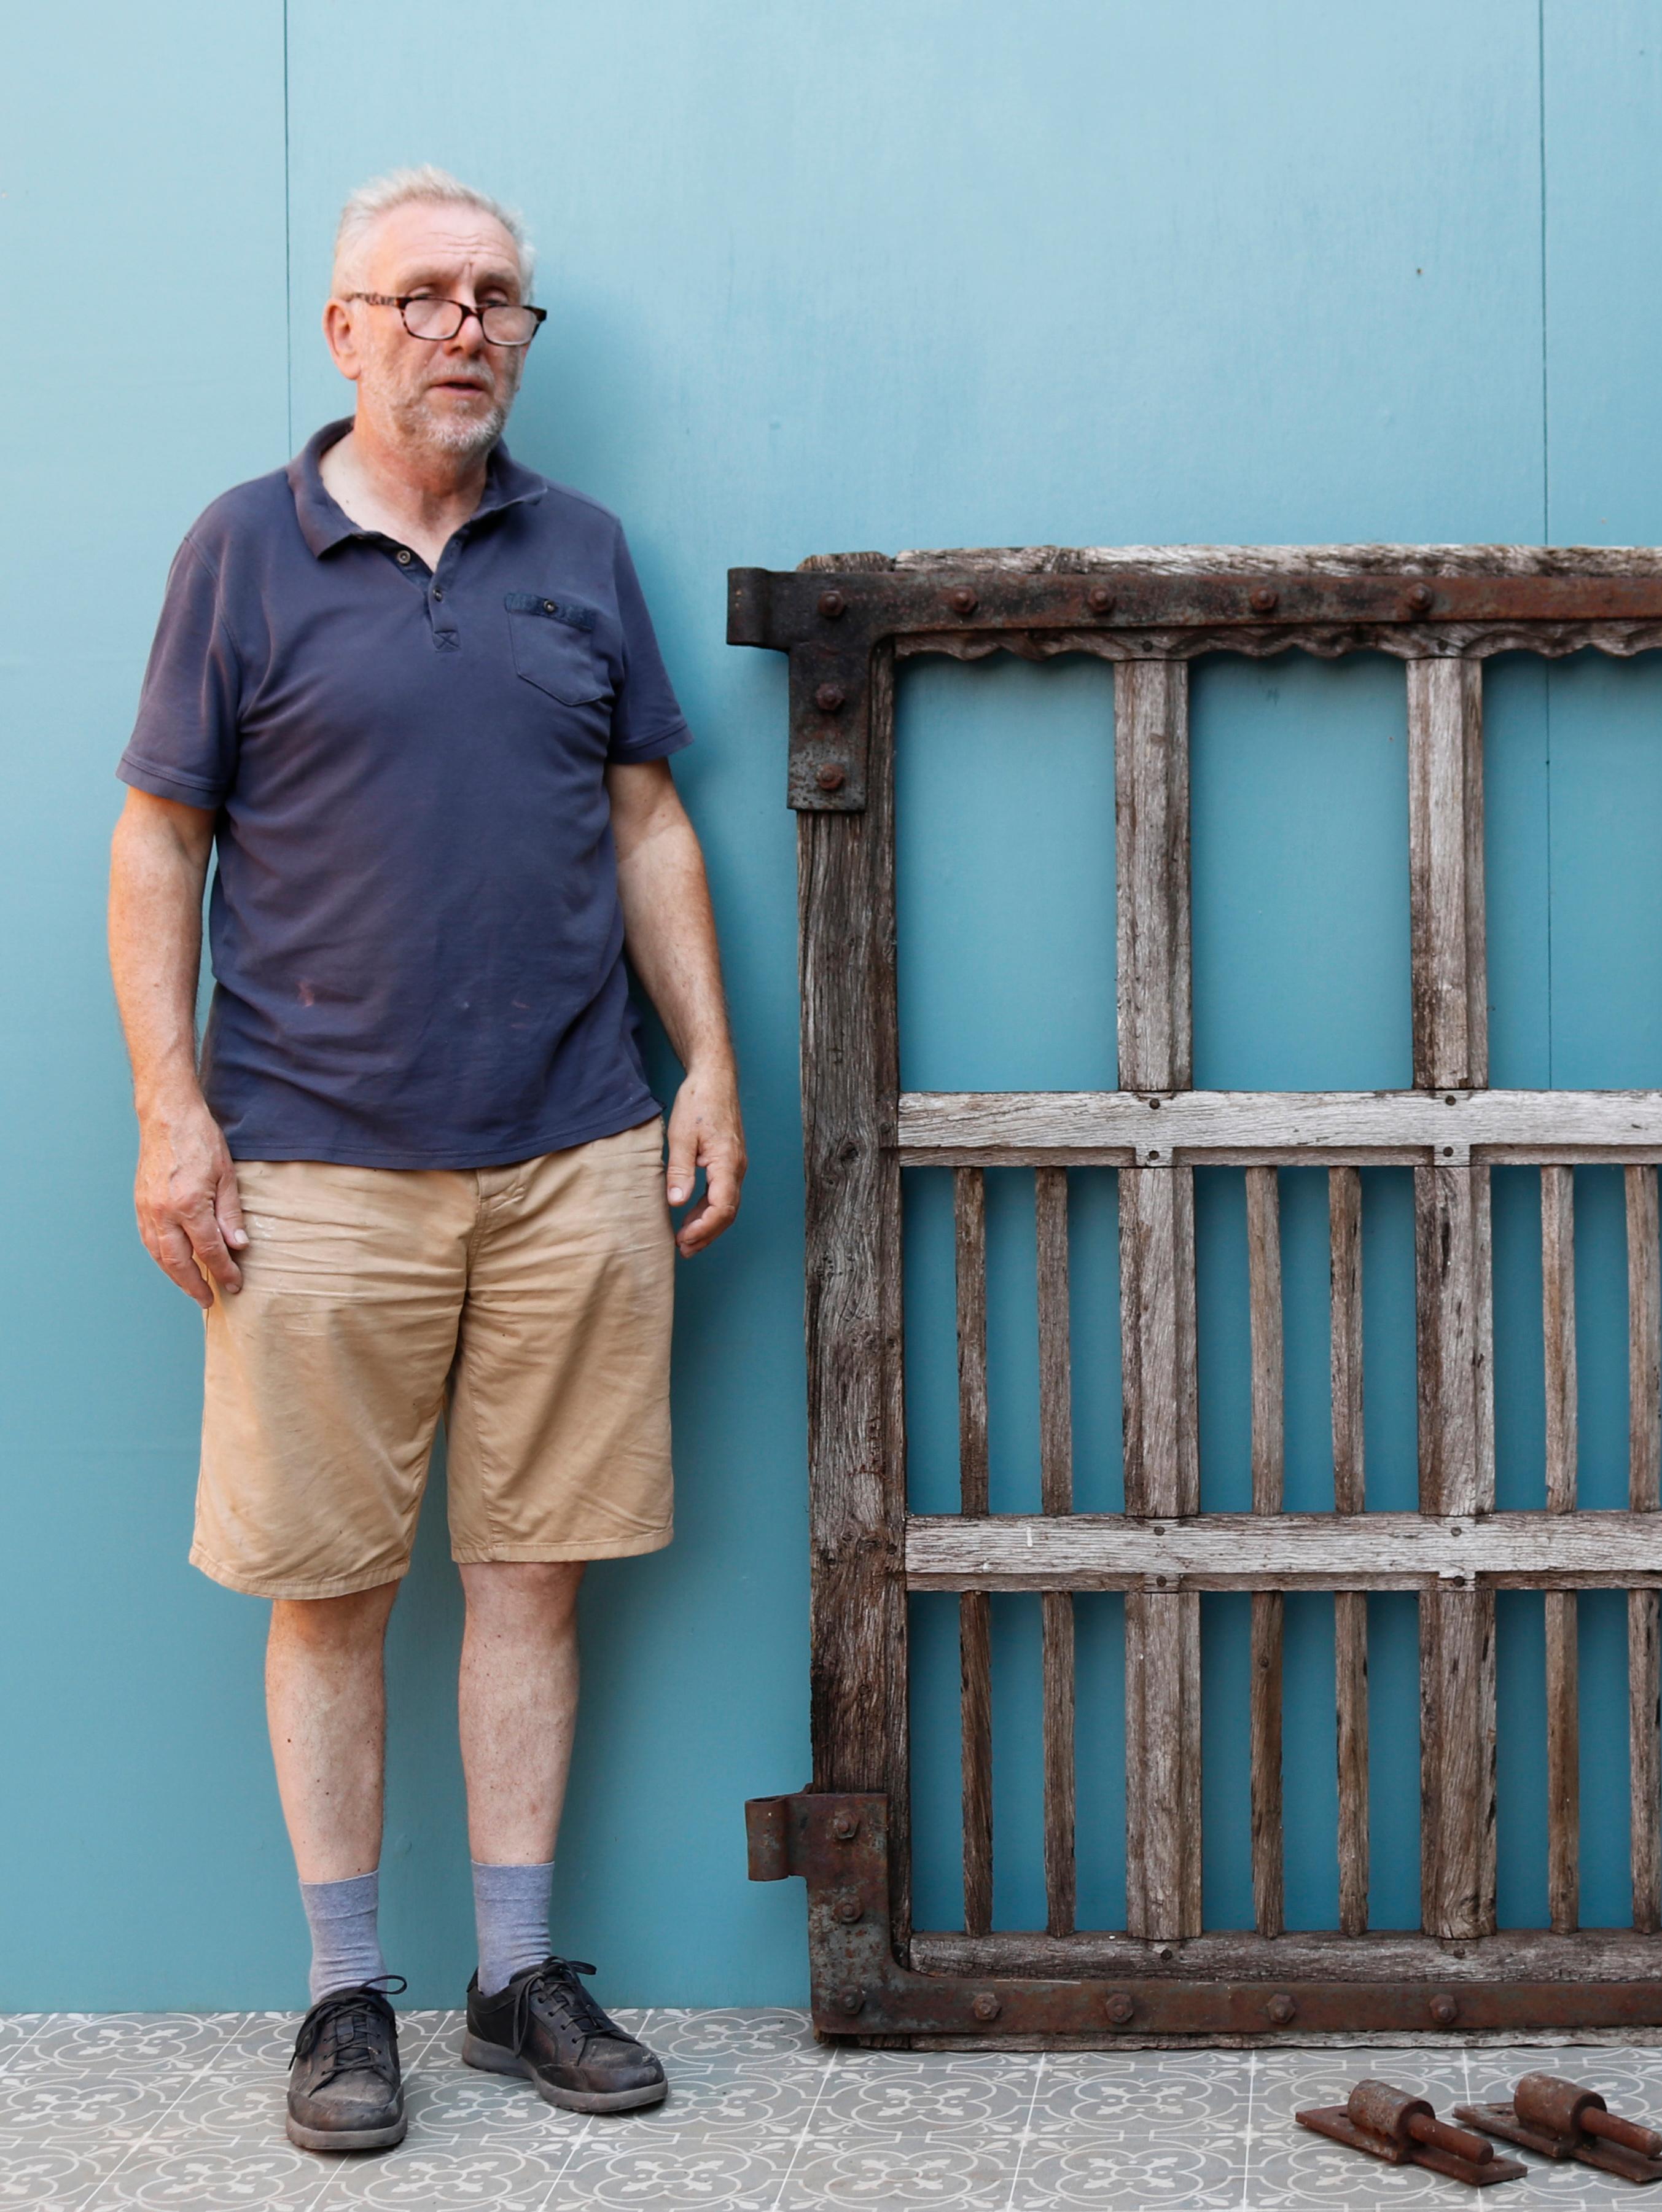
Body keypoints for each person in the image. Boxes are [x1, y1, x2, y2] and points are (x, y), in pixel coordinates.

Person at [106, 165, 743, 2153]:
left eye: (498, 299)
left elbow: (645, 821)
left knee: (531, 1569)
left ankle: (515, 1976)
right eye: (427, 296)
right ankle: (341, 1996)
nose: (467, 328)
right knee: (329, 1588)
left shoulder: (584, 552)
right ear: (345, 330)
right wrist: (171, 1108)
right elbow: (159, 843)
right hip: (309, 1165)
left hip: (573, 1150)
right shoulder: (243, 549)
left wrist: (709, 1067)